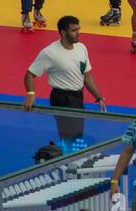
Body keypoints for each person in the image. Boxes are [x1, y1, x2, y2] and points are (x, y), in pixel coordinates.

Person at [23, 15, 107, 145]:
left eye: (78, 29)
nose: (78, 33)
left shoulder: (81, 48)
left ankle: (72, 159)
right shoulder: (50, 52)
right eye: (74, 30)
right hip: (61, 98)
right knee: (68, 133)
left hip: (78, 97)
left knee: (78, 132)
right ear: (63, 33)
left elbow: (87, 76)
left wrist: (99, 97)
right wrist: (30, 94)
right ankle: (67, 161)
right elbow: (29, 74)